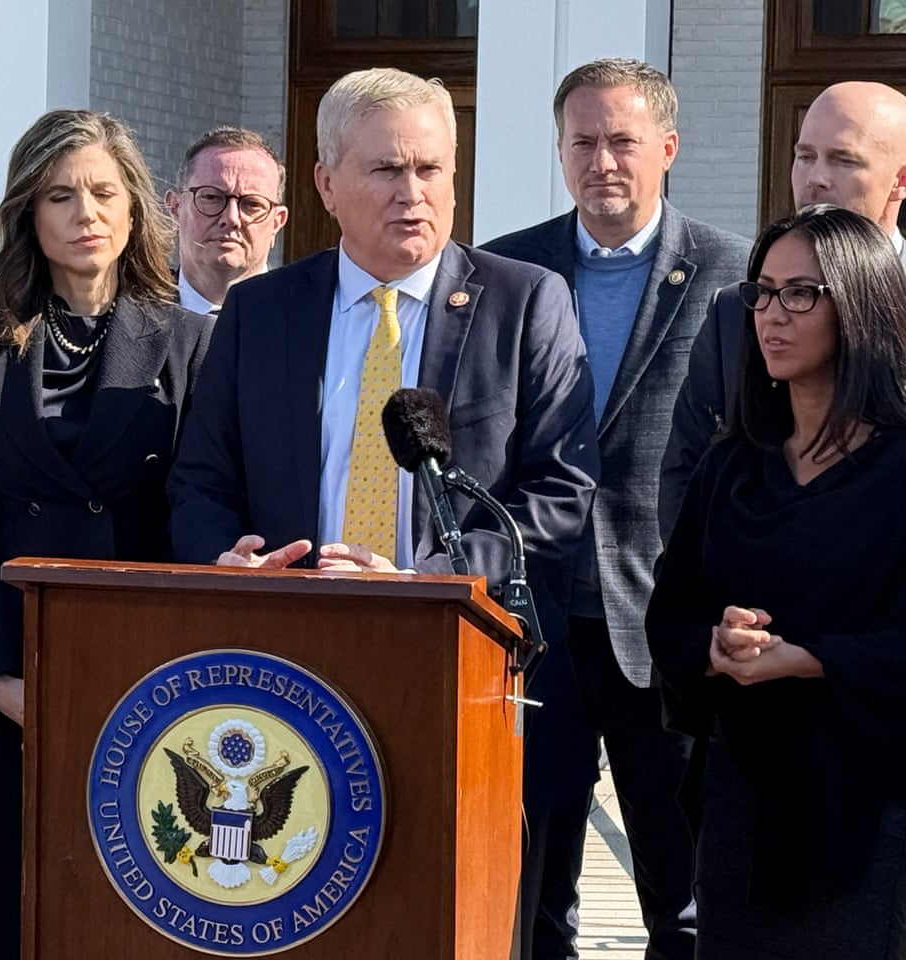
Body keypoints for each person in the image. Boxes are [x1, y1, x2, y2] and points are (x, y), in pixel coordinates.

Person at [167, 67, 596, 713]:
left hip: (465, 654)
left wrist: (433, 578)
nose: (413, 193)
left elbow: (561, 489)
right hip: (286, 653)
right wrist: (226, 560)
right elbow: (201, 479)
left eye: (431, 169)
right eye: (387, 170)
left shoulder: (525, 302)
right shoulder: (260, 312)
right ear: (327, 184)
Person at [0, 109, 213, 960]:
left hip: (143, 670)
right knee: (2, 906)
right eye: (60, 195)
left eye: (102, 191)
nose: (84, 212)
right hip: (6, 668)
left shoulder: (193, 341)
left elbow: (197, 509)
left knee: (131, 900)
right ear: (29, 215)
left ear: (134, 211)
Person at [481, 58, 749, 960]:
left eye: (623, 141)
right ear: (558, 152)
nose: (603, 161)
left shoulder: (732, 275)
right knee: (530, 887)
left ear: (667, 148)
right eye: (583, 142)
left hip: (662, 620)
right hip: (533, 617)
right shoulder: (506, 268)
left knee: (679, 896)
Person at [646, 204, 906, 958]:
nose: (771, 316)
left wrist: (812, 658)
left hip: (868, 799)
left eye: (802, 294)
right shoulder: (733, 465)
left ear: (859, 304)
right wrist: (715, 645)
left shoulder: (897, 469)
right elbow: (671, 617)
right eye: (762, 292)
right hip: (741, 791)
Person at [660, 81, 906, 535]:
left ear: (900, 180)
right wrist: (711, 594)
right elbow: (687, 473)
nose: (816, 178)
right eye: (805, 155)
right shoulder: (737, 311)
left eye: (844, 160)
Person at [165, 127, 288, 312]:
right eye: (212, 198)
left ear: (277, 222)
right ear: (175, 207)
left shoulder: (311, 322)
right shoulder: (125, 321)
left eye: (252, 204)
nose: (231, 218)